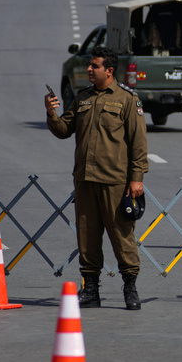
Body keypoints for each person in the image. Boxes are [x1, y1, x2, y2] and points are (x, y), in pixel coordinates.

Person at [45, 46, 149, 310]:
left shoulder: (127, 100)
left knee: (121, 235)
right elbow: (63, 130)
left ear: (109, 71)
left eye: (95, 66)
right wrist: (51, 113)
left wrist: (136, 179)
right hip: (85, 180)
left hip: (115, 182)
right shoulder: (82, 99)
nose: (89, 69)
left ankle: (130, 288)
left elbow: (138, 144)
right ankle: (90, 289)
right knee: (87, 236)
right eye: (90, 65)